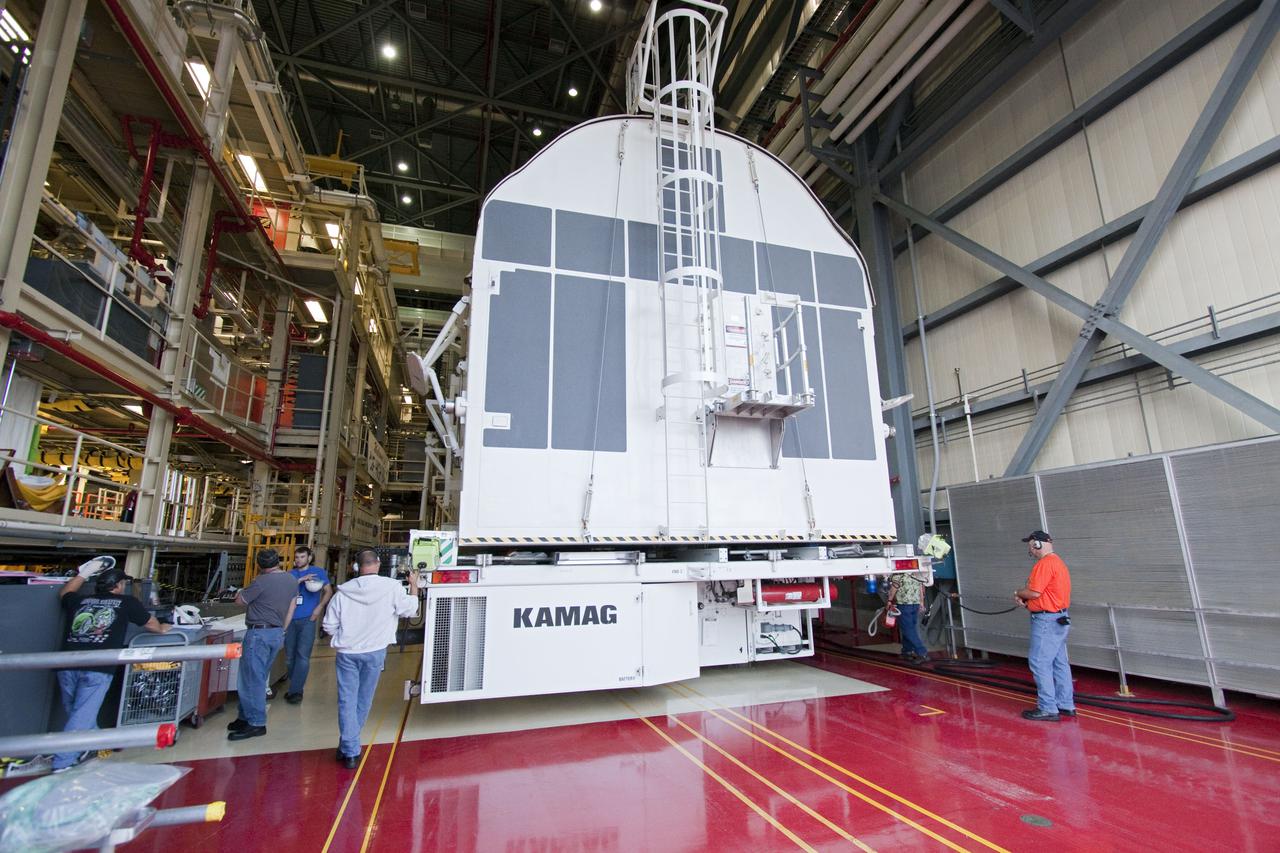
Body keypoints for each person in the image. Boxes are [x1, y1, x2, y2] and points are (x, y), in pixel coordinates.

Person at [55, 557, 169, 772]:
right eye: (123, 583)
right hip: (98, 667)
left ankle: (94, 746)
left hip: (66, 663)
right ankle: (63, 762)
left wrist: (84, 573)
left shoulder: (81, 601)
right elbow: (152, 624)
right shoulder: (126, 602)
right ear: (118, 586)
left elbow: (64, 593)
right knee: (81, 714)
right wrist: (163, 628)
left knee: (77, 712)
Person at [323, 549, 419, 768]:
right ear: (377, 564)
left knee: (347, 700)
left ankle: (348, 744)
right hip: (375, 652)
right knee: (364, 699)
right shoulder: (391, 588)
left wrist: (345, 638)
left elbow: (328, 625)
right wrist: (414, 585)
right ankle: (350, 748)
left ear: (356, 567)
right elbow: (410, 610)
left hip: (347, 653)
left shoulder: (343, 593)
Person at [228, 549, 297, 740]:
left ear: (259, 565)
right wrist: (283, 630)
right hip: (276, 632)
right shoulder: (291, 580)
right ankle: (244, 716)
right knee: (257, 676)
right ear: (278, 562)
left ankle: (256, 723)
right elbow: (292, 607)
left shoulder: (260, 581)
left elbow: (240, 601)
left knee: (252, 679)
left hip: (258, 634)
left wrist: (241, 591)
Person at [1014, 530, 1076, 721]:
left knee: (1039, 662)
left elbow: (1034, 592)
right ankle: (1065, 704)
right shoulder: (1058, 563)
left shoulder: (1044, 564)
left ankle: (1048, 707)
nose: (1030, 550)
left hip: (1046, 621)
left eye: (1031, 546)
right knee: (1059, 662)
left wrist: (1018, 593)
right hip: (1059, 618)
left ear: (1037, 544)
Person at [283, 545, 332, 704]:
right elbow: (283, 591)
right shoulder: (290, 575)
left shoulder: (318, 572)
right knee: (289, 657)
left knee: (303, 656)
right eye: (297, 557)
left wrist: (319, 607)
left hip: (308, 619)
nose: (299, 560)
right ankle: (295, 684)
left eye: (302, 557)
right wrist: (301, 580)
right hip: (289, 620)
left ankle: (296, 691)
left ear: (309, 557)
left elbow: (328, 591)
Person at [889, 570, 929, 664]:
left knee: (908, 629)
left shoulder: (898, 575)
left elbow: (893, 589)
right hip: (915, 604)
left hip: (904, 605)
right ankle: (906, 651)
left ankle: (922, 652)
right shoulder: (916, 574)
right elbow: (921, 589)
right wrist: (921, 602)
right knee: (910, 628)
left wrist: (889, 601)